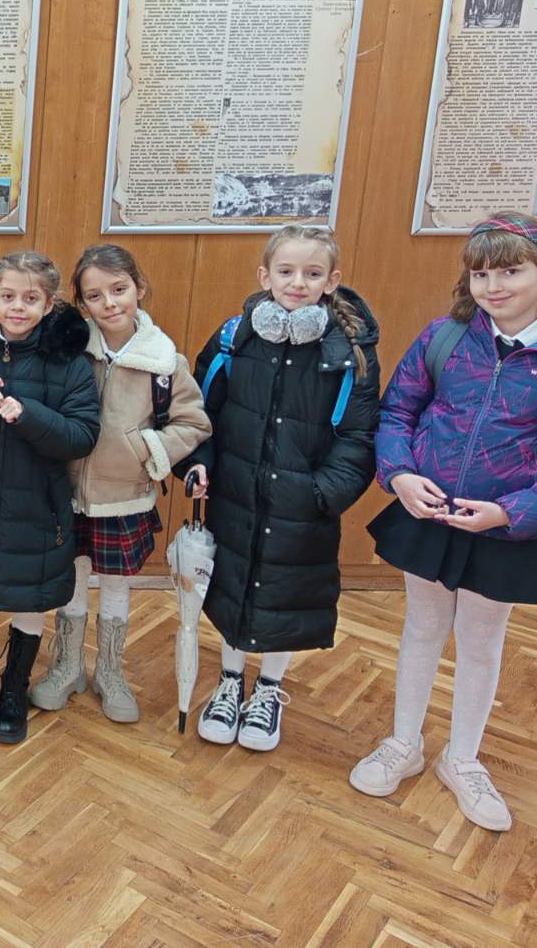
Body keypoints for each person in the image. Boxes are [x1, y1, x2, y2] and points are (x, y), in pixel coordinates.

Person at [350, 213, 537, 832]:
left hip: (504, 527)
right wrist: (400, 475)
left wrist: (511, 511)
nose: (493, 287)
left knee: (481, 641)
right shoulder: (446, 337)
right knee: (422, 628)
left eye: (510, 272)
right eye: (481, 275)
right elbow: (397, 412)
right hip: (429, 515)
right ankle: (404, 743)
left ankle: (463, 759)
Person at [178, 224, 380, 753]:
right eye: (286, 271)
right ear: (264, 276)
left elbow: (359, 437)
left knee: (284, 596)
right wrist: (198, 465)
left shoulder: (349, 353)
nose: (297, 282)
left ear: (331, 281)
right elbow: (199, 413)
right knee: (232, 589)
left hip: (302, 506)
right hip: (235, 497)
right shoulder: (233, 339)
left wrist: (320, 495)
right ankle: (229, 682)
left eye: (312, 273)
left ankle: (268, 688)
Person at [30, 245, 211, 722]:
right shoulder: (69, 352)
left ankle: (110, 671)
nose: (109, 303)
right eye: (95, 295)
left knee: (115, 587)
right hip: (68, 493)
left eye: (119, 289)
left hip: (124, 498)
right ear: (81, 303)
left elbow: (193, 423)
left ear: (139, 289)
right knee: (71, 582)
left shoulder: (165, 362)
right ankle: (67, 665)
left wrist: (146, 449)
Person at [0, 251, 101, 745]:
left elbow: (81, 436)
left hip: (39, 507)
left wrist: (27, 413)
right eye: (7, 296)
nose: (17, 307)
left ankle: (13, 690)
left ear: (49, 304)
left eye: (30, 299)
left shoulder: (70, 364)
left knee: (31, 599)